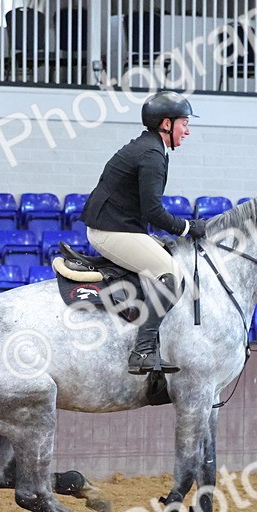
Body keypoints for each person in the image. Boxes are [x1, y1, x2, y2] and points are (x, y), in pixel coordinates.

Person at [81, 91, 207, 375]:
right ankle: (143, 351)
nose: (187, 130)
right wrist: (187, 228)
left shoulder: (151, 148)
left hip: (120, 226)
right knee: (171, 274)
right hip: (110, 231)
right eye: (184, 123)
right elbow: (153, 211)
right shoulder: (151, 154)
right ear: (166, 123)